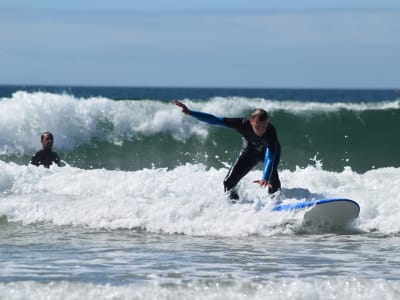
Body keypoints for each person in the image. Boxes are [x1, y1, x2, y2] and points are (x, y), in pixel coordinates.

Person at [174, 100, 281, 201]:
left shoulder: (271, 131)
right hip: (249, 152)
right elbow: (214, 119)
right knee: (228, 182)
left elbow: (269, 157)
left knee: (272, 178)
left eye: (264, 126)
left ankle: (275, 202)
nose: (261, 130)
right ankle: (235, 204)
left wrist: (265, 177)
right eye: (258, 126)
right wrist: (190, 112)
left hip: (269, 153)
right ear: (251, 121)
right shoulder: (242, 124)